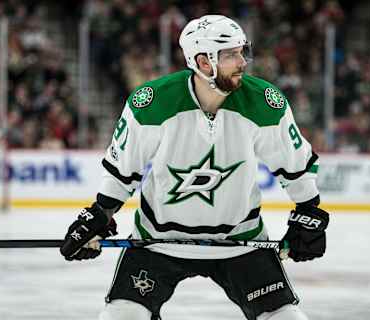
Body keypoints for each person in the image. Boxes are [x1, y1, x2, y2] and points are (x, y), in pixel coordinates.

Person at [60, 15, 329, 320]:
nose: (242, 62)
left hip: (240, 241)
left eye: (242, 52)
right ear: (203, 62)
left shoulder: (264, 103)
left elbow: (294, 165)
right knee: (119, 318)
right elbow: (123, 169)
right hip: (158, 242)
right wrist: (99, 215)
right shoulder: (152, 103)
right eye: (231, 55)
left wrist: (309, 212)